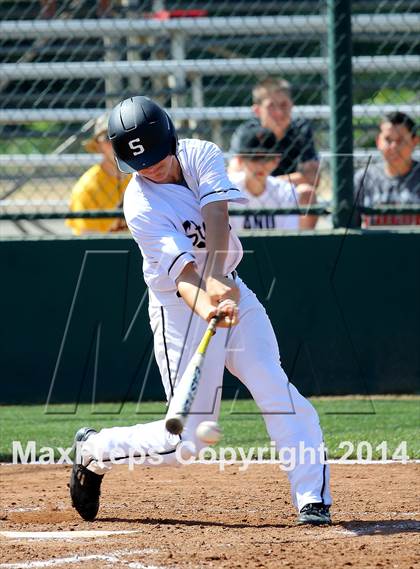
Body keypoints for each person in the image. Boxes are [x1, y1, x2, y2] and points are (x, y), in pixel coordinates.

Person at [69, 96, 332, 526]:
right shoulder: (139, 205)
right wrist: (208, 301)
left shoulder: (200, 154)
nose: (149, 167)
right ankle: (94, 449)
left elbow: (215, 216)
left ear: (170, 139)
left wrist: (219, 285)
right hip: (180, 308)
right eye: (138, 162)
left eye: (155, 156)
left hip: (230, 288)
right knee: (184, 443)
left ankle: (311, 498)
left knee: (273, 385)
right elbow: (183, 277)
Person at [229, 77, 320, 189]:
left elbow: (312, 177)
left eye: (284, 105)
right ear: (257, 110)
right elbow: (234, 174)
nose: (279, 112)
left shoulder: (301, 129)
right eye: (271, 106)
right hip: (255, 195)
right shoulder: (247, 132)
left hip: (288, 194)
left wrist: (269, 185)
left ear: (291, 105)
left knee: (306, 191)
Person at [229, 123, 318, 231]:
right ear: (240, 159)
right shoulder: (225, 193)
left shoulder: (285, 193)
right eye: (254, 158)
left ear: (276, 160)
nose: (261, 165)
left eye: (267, 158)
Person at [66, 113, 129, 235]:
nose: (116, 143)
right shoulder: (87, 188)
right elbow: (90, 244)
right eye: (108, 137)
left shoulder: (143, 176)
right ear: (98, 146)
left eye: (122, 136)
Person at [354, 112, 420, 226]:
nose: (393, 147)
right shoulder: (364, 178)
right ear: (378, 142)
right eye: (388, 140)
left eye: (400, 140)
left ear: (415, 141)